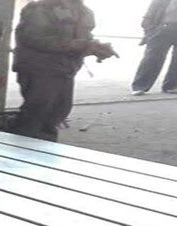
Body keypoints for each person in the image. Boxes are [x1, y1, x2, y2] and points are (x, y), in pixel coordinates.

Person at [11, 0, 118, 141]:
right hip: (39, 69)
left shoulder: (84, 12)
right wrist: (77, 45)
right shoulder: (40, 9)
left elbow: (85, 38)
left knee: (59, 110)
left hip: (65, 70)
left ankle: (45, 145)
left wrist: (96, 48)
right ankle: (21, 146)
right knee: (36, 112)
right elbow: (34, 38)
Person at [132, 0, 177, 94]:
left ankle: (171, 86)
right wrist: (150, 32)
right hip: (163, 29)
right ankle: (140, 86)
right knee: (152, 58)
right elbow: (149, 15)